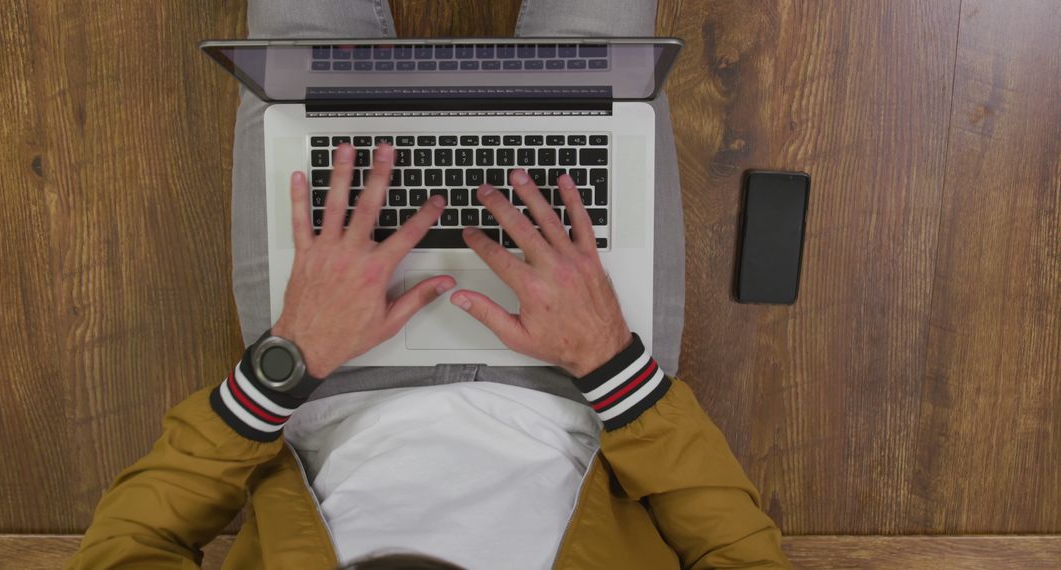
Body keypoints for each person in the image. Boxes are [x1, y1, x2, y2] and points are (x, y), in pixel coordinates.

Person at [68, 0, 791, 568]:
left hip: (322, 381)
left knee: (301, 36)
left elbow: (126, 552)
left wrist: (283, 367)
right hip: (591, 393)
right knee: (599, 28)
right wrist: (615, 367)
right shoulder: (605, 372)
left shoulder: (300, 368)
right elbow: (740, 557)